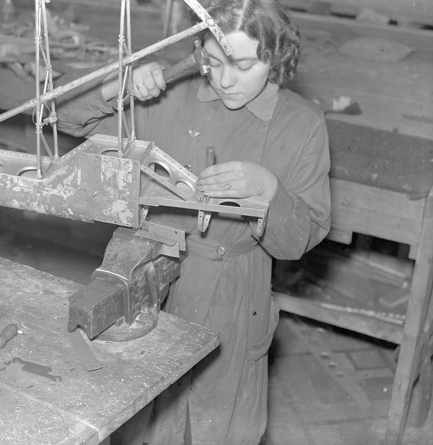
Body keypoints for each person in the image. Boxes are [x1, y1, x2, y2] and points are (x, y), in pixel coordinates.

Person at [56, 0, 331, 443]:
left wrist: (270, 194)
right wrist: (117, 83)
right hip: (147, 275)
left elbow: (299, 241)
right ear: (199, 49)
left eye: (243, 66)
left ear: (275, 57)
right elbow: (58, 117)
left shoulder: (301, 124)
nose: (225, 81)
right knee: (140, 418)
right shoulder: (166, 95)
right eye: (214, 60)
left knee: (219, 424)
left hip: (235, 296)